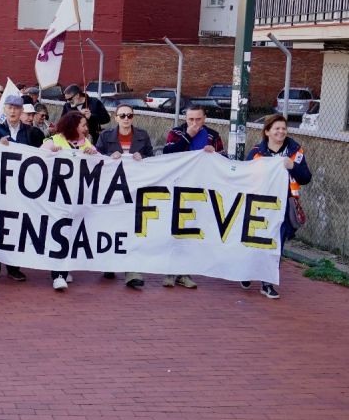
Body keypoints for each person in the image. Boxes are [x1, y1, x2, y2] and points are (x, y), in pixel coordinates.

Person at [243, 114, 312, 299]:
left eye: (283, 128)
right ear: (267, 132)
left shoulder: (295, 151)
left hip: (284, 205)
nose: (281, 132)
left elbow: (306, 177)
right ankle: (247, 272)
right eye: (277, 129)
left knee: (277, 243)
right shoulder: (257, 152)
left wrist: (292, 166)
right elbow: (244, 175)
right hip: (259, 204)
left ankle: (267, 282)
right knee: (254, 241)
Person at [160, 104, 225, 289]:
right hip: (177, 187)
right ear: (185, 119)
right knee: (174, 229)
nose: (194, 123)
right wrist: (188, 136)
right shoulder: (176, 133)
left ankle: (184, 273)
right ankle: (170, 271)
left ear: (204, 119)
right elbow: (168, 154)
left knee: (191, 231)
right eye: (191, 119)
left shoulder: (212, 136)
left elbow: (224, 160)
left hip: (200, 189)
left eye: (198, 119)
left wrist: (215, 155)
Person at [95, 105, 154, 289]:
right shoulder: (105, 136)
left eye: (129, 115)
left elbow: (152, 158)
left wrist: (142, 156)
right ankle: (109, 263)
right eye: (122, 116)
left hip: (135, 190)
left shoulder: (142, 135)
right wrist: (108, 156)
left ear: (133, 117)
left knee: (132, 229)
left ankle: (132, 271)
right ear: (116, 118)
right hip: (112, 191)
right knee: (112, 227)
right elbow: (96, 158)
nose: (126, 118)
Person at [0, 94, 45, 281]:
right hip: (1, 185)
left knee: (18, 224)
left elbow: (43, 154)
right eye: (10, 108)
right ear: (4, 109)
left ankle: (13, 266)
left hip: (23, 187)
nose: (13, 111)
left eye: (16, 108)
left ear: (22, 111)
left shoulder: (32, 133)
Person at [42, 111, 98, 291]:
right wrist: (50, 153)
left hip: (78, 199)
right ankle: (58, 274)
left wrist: (93, 154)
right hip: (57, 197)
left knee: (72, 233)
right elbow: (37, 159)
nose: (86, 128)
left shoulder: (86, 143)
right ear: (73, 126)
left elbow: (100, 166)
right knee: (60, 233)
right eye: (83, 125)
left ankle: (64, 267)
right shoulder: (53, 141)